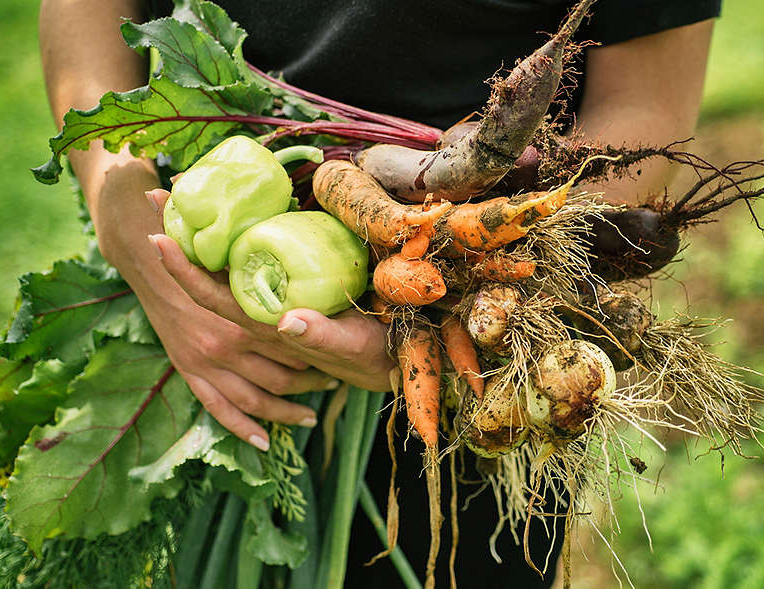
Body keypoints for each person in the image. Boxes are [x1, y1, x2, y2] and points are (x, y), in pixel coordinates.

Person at [38, 1, 717, 585]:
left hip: (479, 367)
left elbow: (645, 107)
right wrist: (118, 200)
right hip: (192, 324)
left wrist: (454, 297)